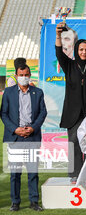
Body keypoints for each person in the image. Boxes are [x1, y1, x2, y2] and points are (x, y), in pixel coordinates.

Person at [55, 22, 86, 183]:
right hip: (73, 113)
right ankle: (74, 174)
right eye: (81, 50)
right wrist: (58, 35)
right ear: (77, 50)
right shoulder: (69, 65)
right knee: (74, 143)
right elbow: (58, 52)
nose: (84, 52)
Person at [1, 63, 47, 212]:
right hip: (15, 137)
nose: (24, 77)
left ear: (30, 75)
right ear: (16, 76)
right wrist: (16, 129)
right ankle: (15, 202)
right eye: (21, 75)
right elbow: (4, 114)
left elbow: (42, 113)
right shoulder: (8, 92)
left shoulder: (38, 92)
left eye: (26, 74)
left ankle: (34, 201)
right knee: (15, 173)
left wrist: (33, 127)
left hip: (32, 136)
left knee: (33, 172)